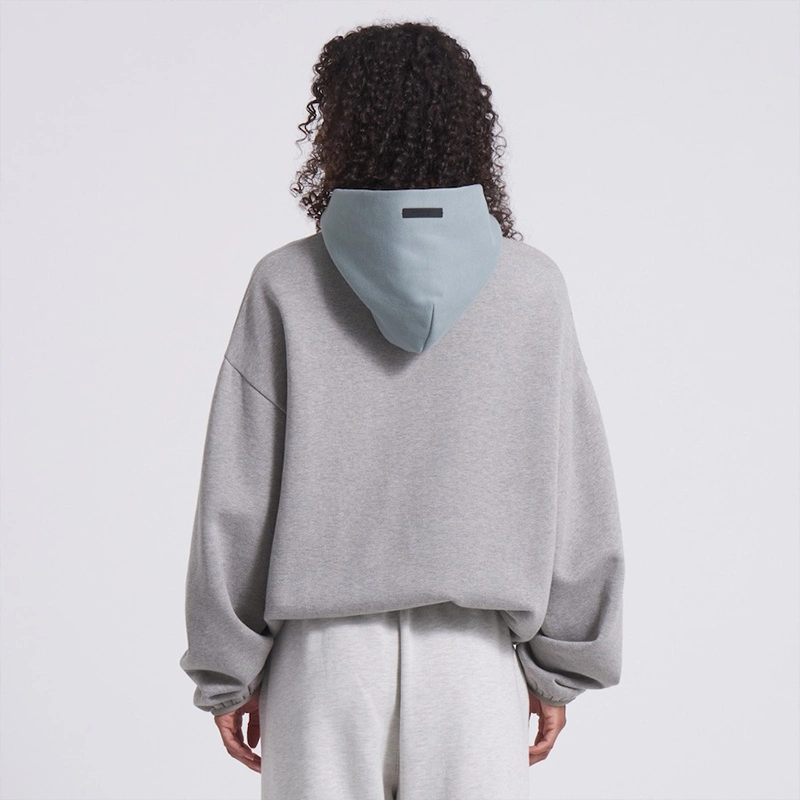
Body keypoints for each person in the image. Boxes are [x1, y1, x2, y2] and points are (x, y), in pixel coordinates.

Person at [179, 19, 625, 800]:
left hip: (321, 668)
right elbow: (576, 493)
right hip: (473, 669)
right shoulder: (532, 289)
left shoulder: (286, 283)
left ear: (338, 129)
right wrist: (560, 671)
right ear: (467, 128)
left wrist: (229, 671)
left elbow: (238, 497)